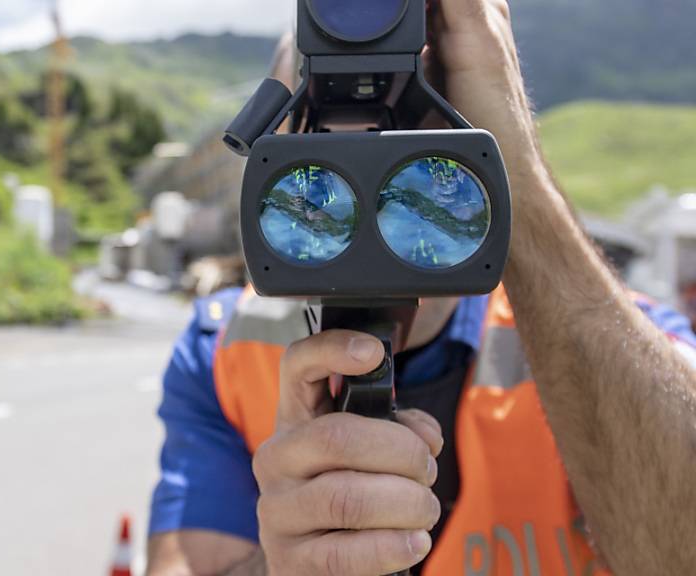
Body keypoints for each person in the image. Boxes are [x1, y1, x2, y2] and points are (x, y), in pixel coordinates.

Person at [145, 1, 696, 575]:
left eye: (422, 159)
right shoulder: (221, 353)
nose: (366, 175)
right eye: (315, 163)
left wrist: (522, 186)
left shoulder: (627, 341)